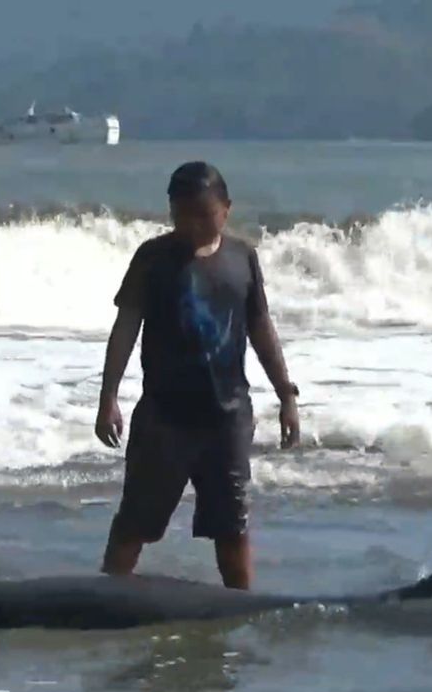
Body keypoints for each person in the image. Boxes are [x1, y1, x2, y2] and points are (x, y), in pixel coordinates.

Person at [95, 162, 300, 590]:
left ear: (226, 209)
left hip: (227, 419)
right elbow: (126, 327)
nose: (193, 225)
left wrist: (286, 395)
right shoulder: (152, 259)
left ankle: (241, 607)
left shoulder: (242, 258)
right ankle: (104, 597)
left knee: (232, 528)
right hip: (164, 420)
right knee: (136, 523)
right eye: (183, 214)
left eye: (204, 215)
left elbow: (261, 327)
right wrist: (108, 396)